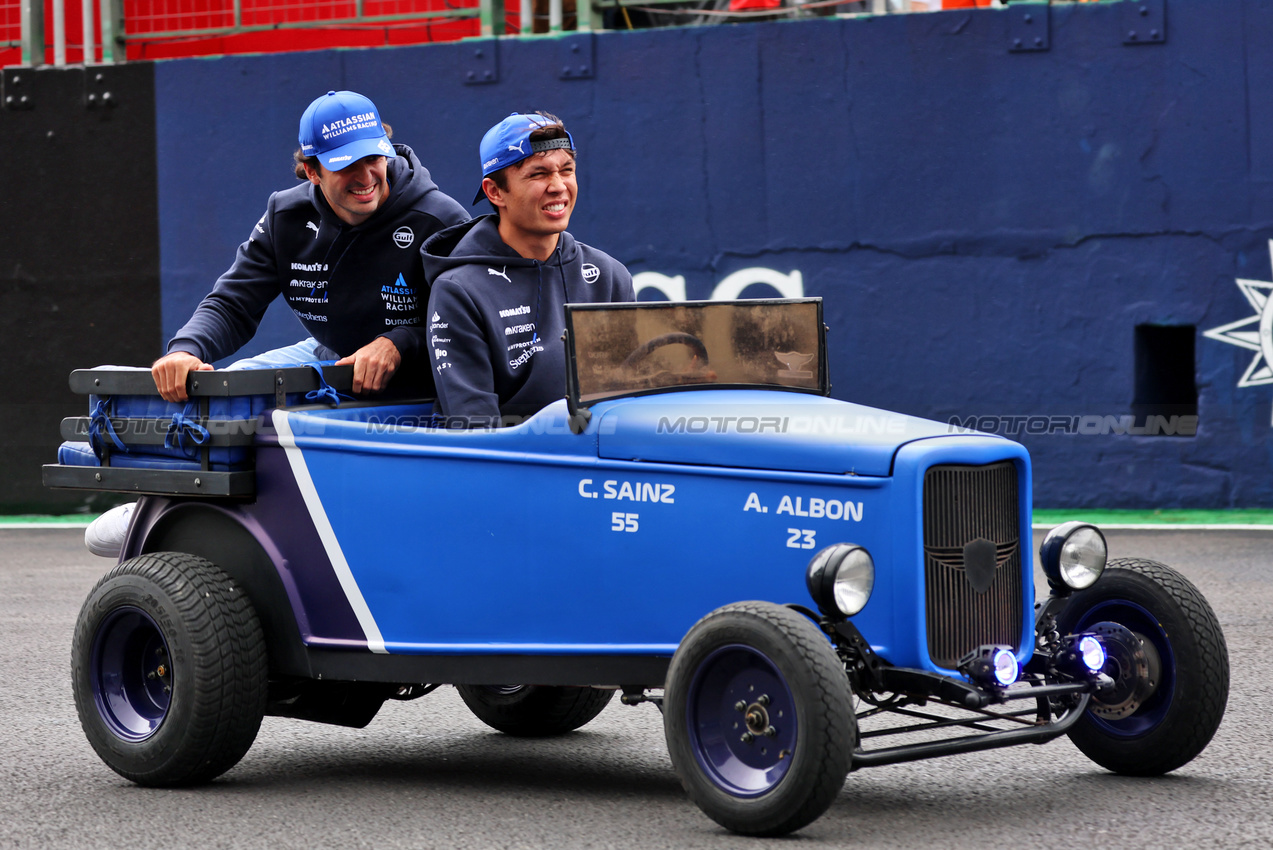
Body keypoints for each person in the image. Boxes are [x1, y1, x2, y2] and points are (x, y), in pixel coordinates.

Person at [85, 90, 469, 558]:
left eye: (375, 157)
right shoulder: (286, 215)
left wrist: (398, 342)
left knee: (280, 424)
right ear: (312, 170)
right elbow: (233, 301)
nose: (367, 176)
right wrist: (186, 349)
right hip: (329, 356)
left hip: (418, 373)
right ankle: (162, 500)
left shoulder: (441, 218)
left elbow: (466, 324)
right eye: (348, 164)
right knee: (222, 395)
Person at [422, 112, 633, 427]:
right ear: (495, 192)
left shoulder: (610, 276)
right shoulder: (458, 291)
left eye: (567, 170)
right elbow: (475, 428)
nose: (558, 186)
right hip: (516, 469)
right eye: (539, 174)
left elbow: (631, 404)